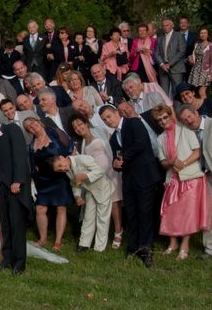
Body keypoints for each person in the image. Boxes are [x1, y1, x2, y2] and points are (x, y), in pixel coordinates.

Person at [100, 104, 161, 268]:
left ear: (116, 113)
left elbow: (141, 143)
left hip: (145, 176)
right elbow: (117, 159)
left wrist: (123, 158)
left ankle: (146, 248)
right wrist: (116, 165)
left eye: (109, 116)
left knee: (145, 213)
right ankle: (133, 246)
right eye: (104, 120)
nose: (108, 121)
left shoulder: (133, 123)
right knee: (132, 213)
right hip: (128, 179)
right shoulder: (113, 138)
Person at [152, 105, 211, 260]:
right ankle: (173, 243)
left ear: (171, 115)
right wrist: (171, 163)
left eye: (165, 117)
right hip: (172, 179)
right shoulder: (160, 138)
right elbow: (163, 162)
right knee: (170, 212)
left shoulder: (185, 130)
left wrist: (183, 164)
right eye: (159, 120)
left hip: (191, 178)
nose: (163, 121)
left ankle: (185, 246)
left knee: (187, 213)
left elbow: (197, 151)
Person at [0, 110, 33, 274]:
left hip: (15, 186)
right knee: (6, 225)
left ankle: (19, 262)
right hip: (2, 188)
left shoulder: (11, 129)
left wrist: (18, 180)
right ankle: (8, 257)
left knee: (17, 224)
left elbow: (20, 155)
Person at [69, 113, 123, 249]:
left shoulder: (100, 132)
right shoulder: (80, 143)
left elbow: (112, 148)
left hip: (110, 172)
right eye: (75, 127)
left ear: (86, 123)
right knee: (91, 211)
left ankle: (116, 232)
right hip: (94, 177)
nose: (78, 128)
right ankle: (86, 242)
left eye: (80, 124)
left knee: (114, 206)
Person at [23, 117, 75, 251]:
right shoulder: (31, 145)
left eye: (33, 123)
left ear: (38, 122)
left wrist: (71, 165)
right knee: (40, 208)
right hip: (43, 181)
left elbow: (70, 147)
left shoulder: (55, 133)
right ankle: (43, 238)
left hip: (60, 178)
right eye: (29, 127)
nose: (33, 126)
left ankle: (58, 240)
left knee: (60, 208)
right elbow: (33, 165)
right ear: (29, 131)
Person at [178, 105, 212, 262]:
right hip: (207, 177)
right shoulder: (189, 133)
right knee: (209, 214)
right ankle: (211, 249)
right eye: (184, 120)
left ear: (196, 113)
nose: (188, 121)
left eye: (189, 117)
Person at [52, 154, 113, 252]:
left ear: (62, 157)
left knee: (102, 219)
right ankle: (84, 244)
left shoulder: (83, 159)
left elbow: (101, 171)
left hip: (103, 189)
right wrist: (77, 196)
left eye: (60, 165)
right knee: (88, 217)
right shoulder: (68, 171)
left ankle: (99, 248)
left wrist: (86, 176)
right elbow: (74, 183)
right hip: (89, 191)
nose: (62, 169)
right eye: (59, 170)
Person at [154, 17, 187, 97]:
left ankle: (178, 109)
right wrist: (162, 64)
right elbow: (156, 53)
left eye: (167, 25)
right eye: (163, 26)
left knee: (177, 92)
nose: (165, 27)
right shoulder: (160, 38)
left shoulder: (179, 35)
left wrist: (170, 64)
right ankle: (166, 109)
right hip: (163, 69)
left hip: (176, 68)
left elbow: (181, 52)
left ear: (172, 25)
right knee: (164, 93)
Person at [188, 26, 212, 98]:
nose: (203, 35)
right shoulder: (197, 44)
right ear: (199, 34)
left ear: (208, 34)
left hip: (205, 71)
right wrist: (190, 58)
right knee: (194, 92)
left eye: (205, 33)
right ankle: (198, 108)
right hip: (195, 69)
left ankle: (207, 108)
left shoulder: (211, 45)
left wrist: (211, 74)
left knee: (202, 91)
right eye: (201, 33)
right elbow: (193, 55)